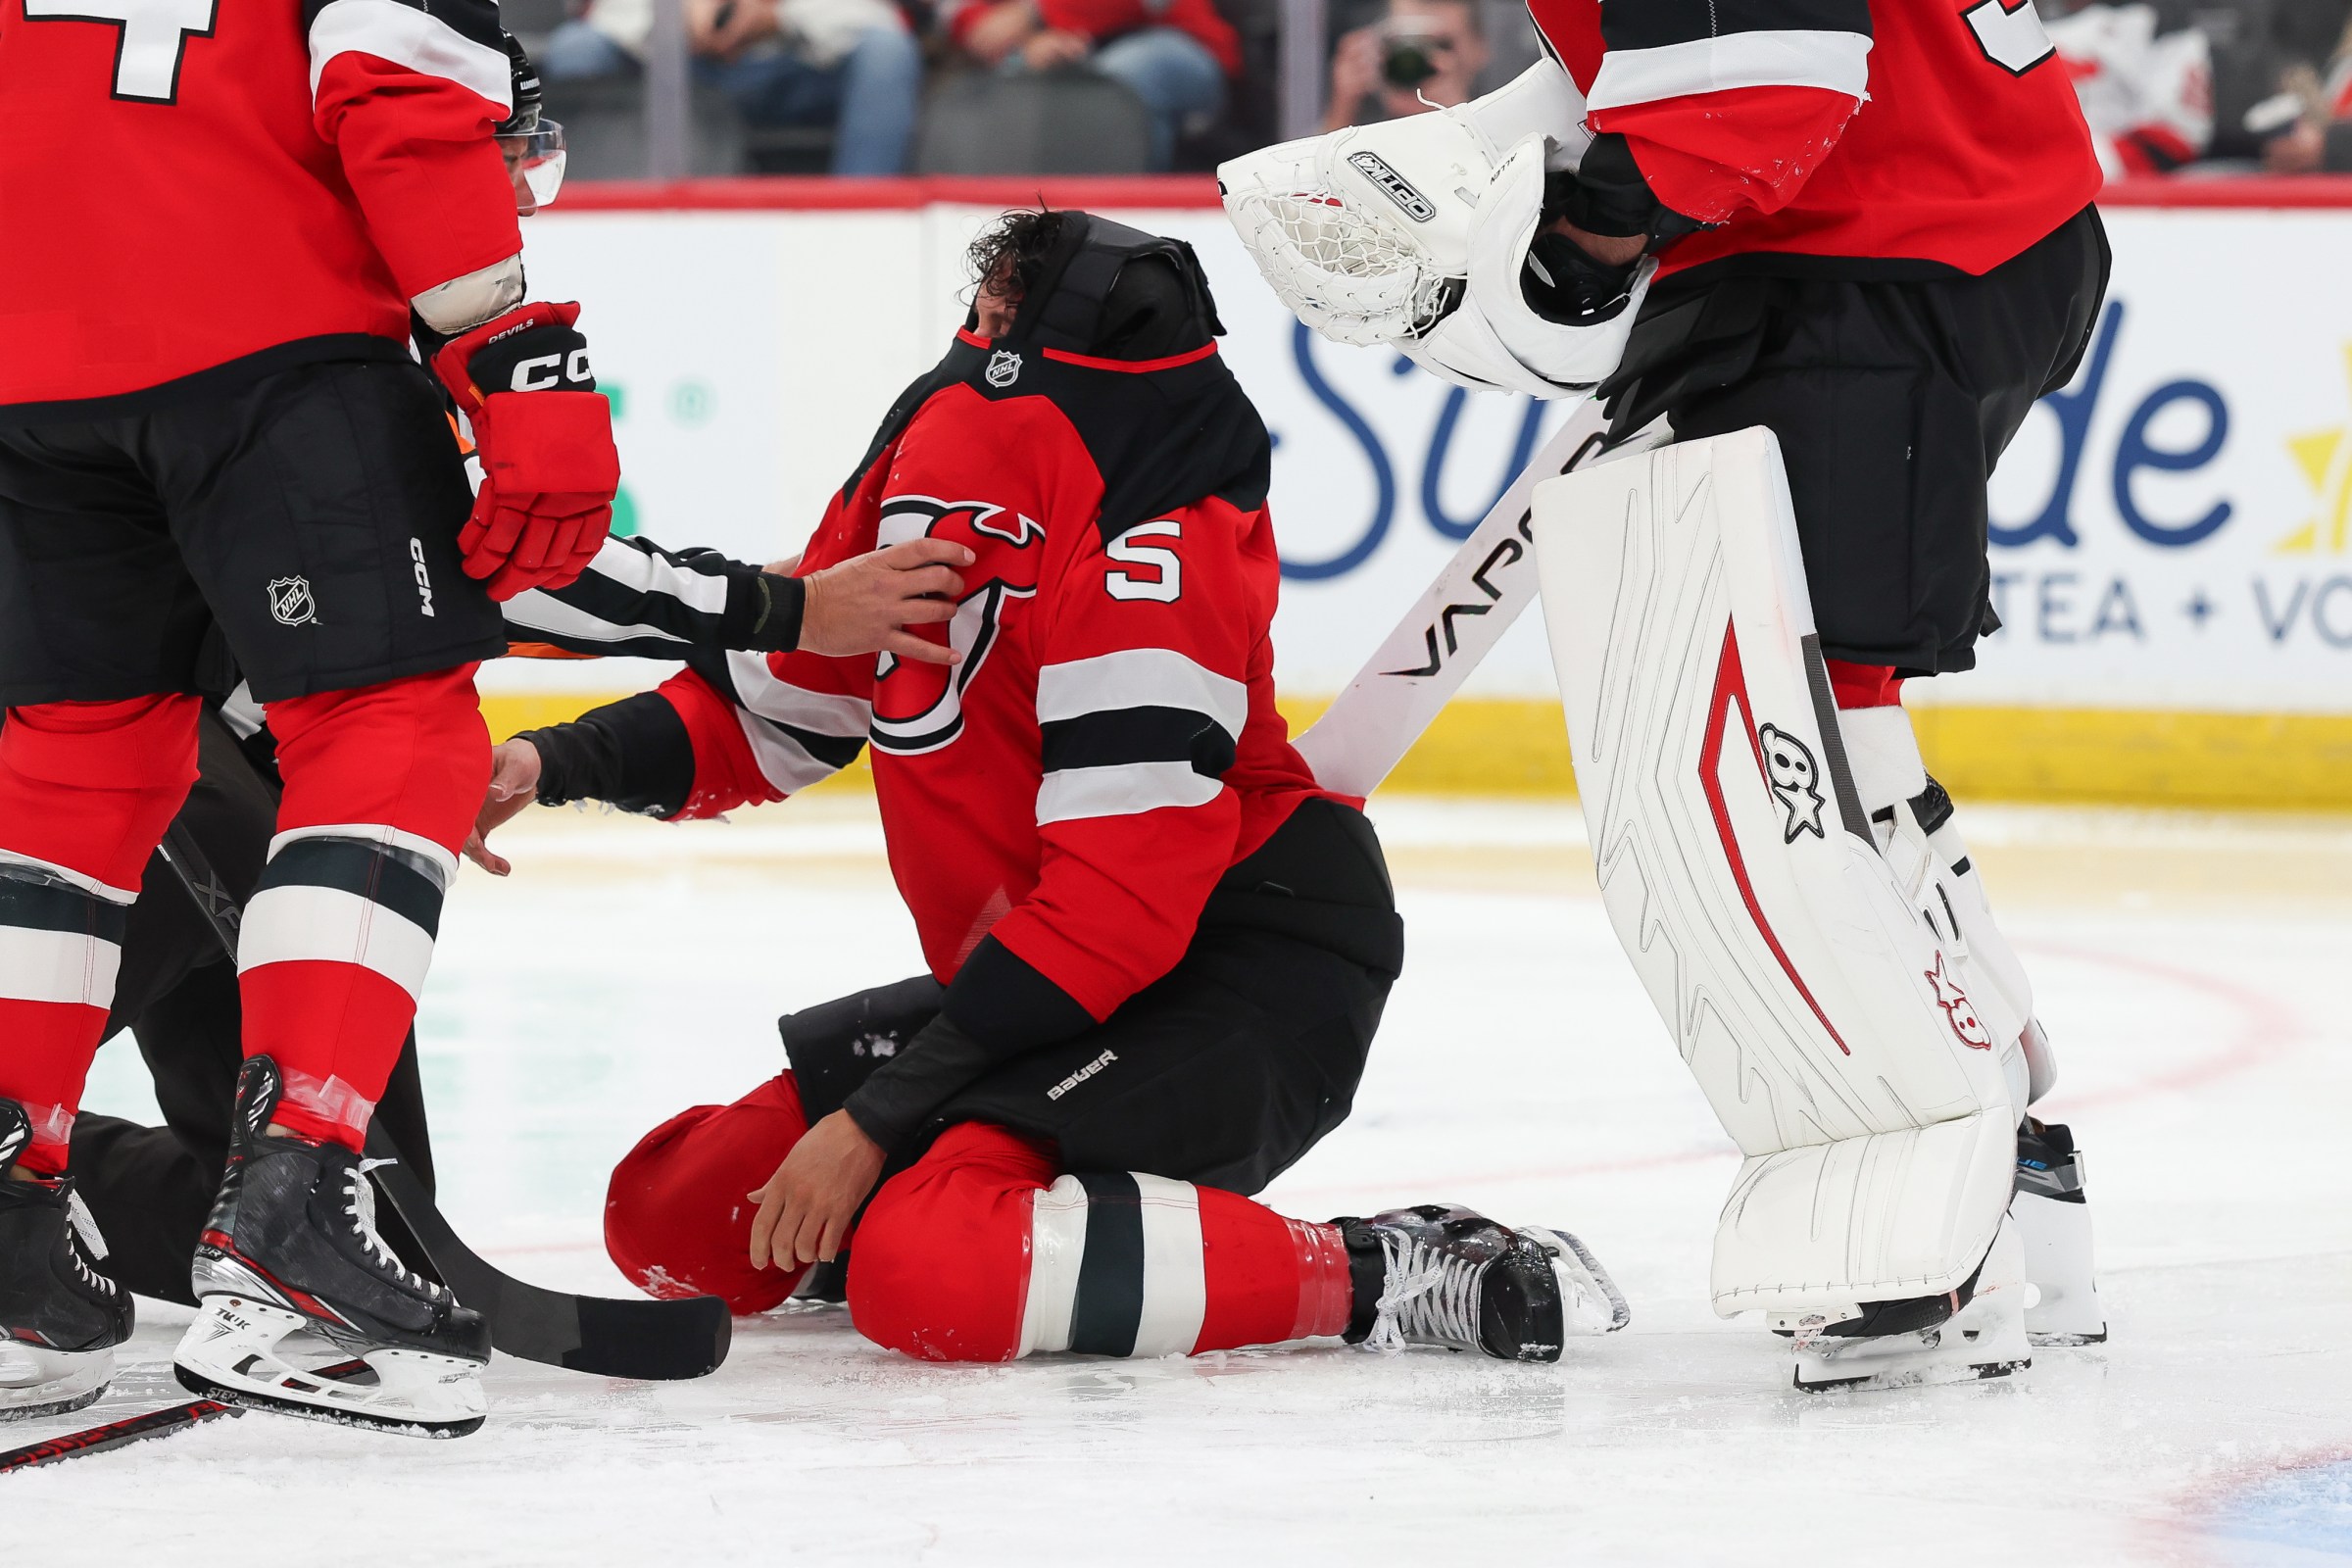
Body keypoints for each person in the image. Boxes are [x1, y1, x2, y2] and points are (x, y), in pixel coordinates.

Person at [466, 210, 1630, 1366]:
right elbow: (784, 703)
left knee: (936, 1273)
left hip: (1241, 967)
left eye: (992, 312)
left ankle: (1388, 1268)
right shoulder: (935, 436)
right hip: (1043, 981)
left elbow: (1123, 902)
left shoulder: (1151, 515)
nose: (973, 335)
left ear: (1008, 314)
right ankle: (997, 1219)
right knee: (677, 1217)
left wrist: (875, 1124)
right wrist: (547, 760)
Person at [1220, 2, 2112, 1389]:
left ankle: (1948, 1192)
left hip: (1893, 244)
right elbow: (1676, 62)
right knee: (1817, 696)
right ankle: (2011, 1154)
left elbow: (1767, 80)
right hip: (1908, 223)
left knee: (1781, 718)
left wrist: (1583, 241)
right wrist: (1495, 151)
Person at [0, 0, 632, 1432]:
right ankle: (291, 1236)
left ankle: (9, 1251)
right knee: (392, 724)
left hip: (29, 377)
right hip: (269, 347)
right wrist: (513, 354)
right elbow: (401, 99)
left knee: (69, 768)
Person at [541, 0, 925, 175]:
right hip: (675, 71)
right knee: (578, 48)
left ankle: (862, 217)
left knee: (887, 52)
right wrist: (675, 13)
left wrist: (778, 15)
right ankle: (596, 214)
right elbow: (598, 13)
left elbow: (884, 17)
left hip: (798, 69)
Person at [944, 0, 1239, 170]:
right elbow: (967, 16)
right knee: (1002, 86)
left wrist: (1038, 11)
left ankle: (1131, 230)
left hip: (1174, 44)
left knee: (1117, 80)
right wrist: (1023, 47)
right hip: (1048, 48)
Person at [1321, 0, 1490, 133]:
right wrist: (1341, 113)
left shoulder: (1504, 128)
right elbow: (1312, 174)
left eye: (1441, 45)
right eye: (1405, 43)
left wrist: (1457, 118)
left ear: (1478, 49)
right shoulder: (1357, 119)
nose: (1416, 60)